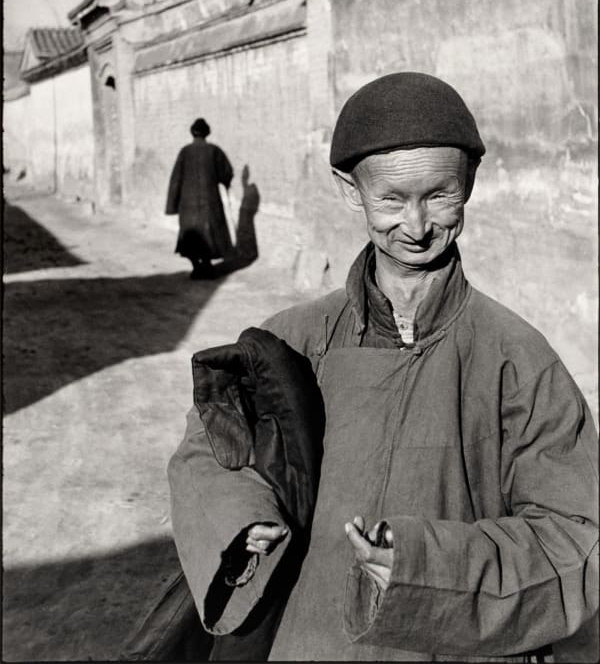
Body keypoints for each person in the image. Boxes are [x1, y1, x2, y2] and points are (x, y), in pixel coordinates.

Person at [168, 73, 598, 661]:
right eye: (391, 200)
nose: (417, 226)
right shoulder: (291, 341)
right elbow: (209, 453)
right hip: (305, 637)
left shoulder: (517, 359)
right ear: (351, 191)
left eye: (440, 196)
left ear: (469, 183)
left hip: (453, 641)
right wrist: (245, 518)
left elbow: (575, 536)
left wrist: (426, 565)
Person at [166, 118, 233, 279]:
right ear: (207, 133)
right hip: (209, 203)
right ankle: (207, 266)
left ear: (192, 133)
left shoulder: (184, 152)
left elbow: (176, 179)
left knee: (191, 236)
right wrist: (225, 182)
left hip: (187, 205)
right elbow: (227, 172)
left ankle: (197, 267)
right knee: (210, 233)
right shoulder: (214, 151)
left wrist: (172, 205)